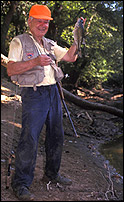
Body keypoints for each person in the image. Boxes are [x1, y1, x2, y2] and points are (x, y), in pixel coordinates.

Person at [7, 4, 78, 201]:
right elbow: (11, 70)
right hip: (33, 94)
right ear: (30, 21)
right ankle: (20, 183)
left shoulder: (49, 43)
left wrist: (77, 37)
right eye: (39, 20)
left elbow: (71, 57)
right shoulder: (18, 41)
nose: (43, 24)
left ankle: (52, 173)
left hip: (54, 92)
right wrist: (35, 62)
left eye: (46, 21)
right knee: (29, 138)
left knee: (57, 135)